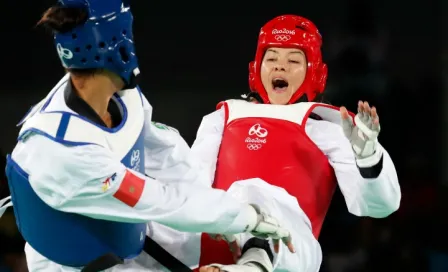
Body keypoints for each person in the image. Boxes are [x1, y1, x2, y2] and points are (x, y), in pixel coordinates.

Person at [0, 2, 294, 271]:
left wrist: (214, 213)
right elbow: (159, 200)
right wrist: (247, 218)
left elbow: (165, 153)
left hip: (118, 232)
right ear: (120, 49)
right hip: (75, 261)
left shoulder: (121, 97)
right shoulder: (68, 150)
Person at [194, 15, 401, 272]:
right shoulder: (223, 117)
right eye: (271, 59)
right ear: (256, 68)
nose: (280, 67)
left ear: (315, 72)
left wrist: (368, 157)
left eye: (293, 60)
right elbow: (191, 187)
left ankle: (253, 265)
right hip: (213, 248)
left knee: (255, 192)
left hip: (291, 251)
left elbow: (380, 206)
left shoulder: (328, 128)